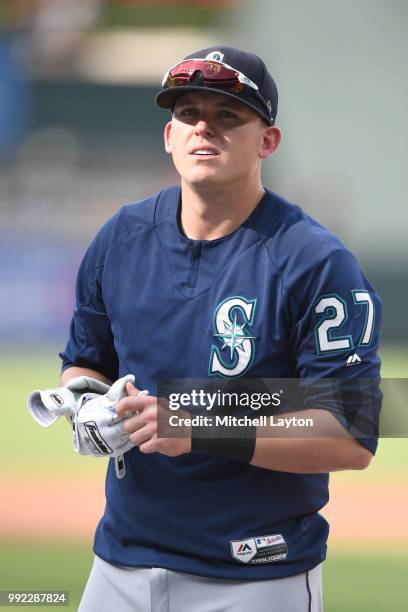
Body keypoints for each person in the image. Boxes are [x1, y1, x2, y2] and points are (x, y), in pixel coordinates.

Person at [56, 46, 381, 611]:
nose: (204, 125)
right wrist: (85, 405)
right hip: (118, 564)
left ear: (268, 141)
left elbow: (349, 435)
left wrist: (199, 428)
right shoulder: (121, 237)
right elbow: (87, 362)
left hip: (256, 577)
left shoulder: (314, 260)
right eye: (188, 113)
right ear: (168, 136)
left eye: (228, 114)